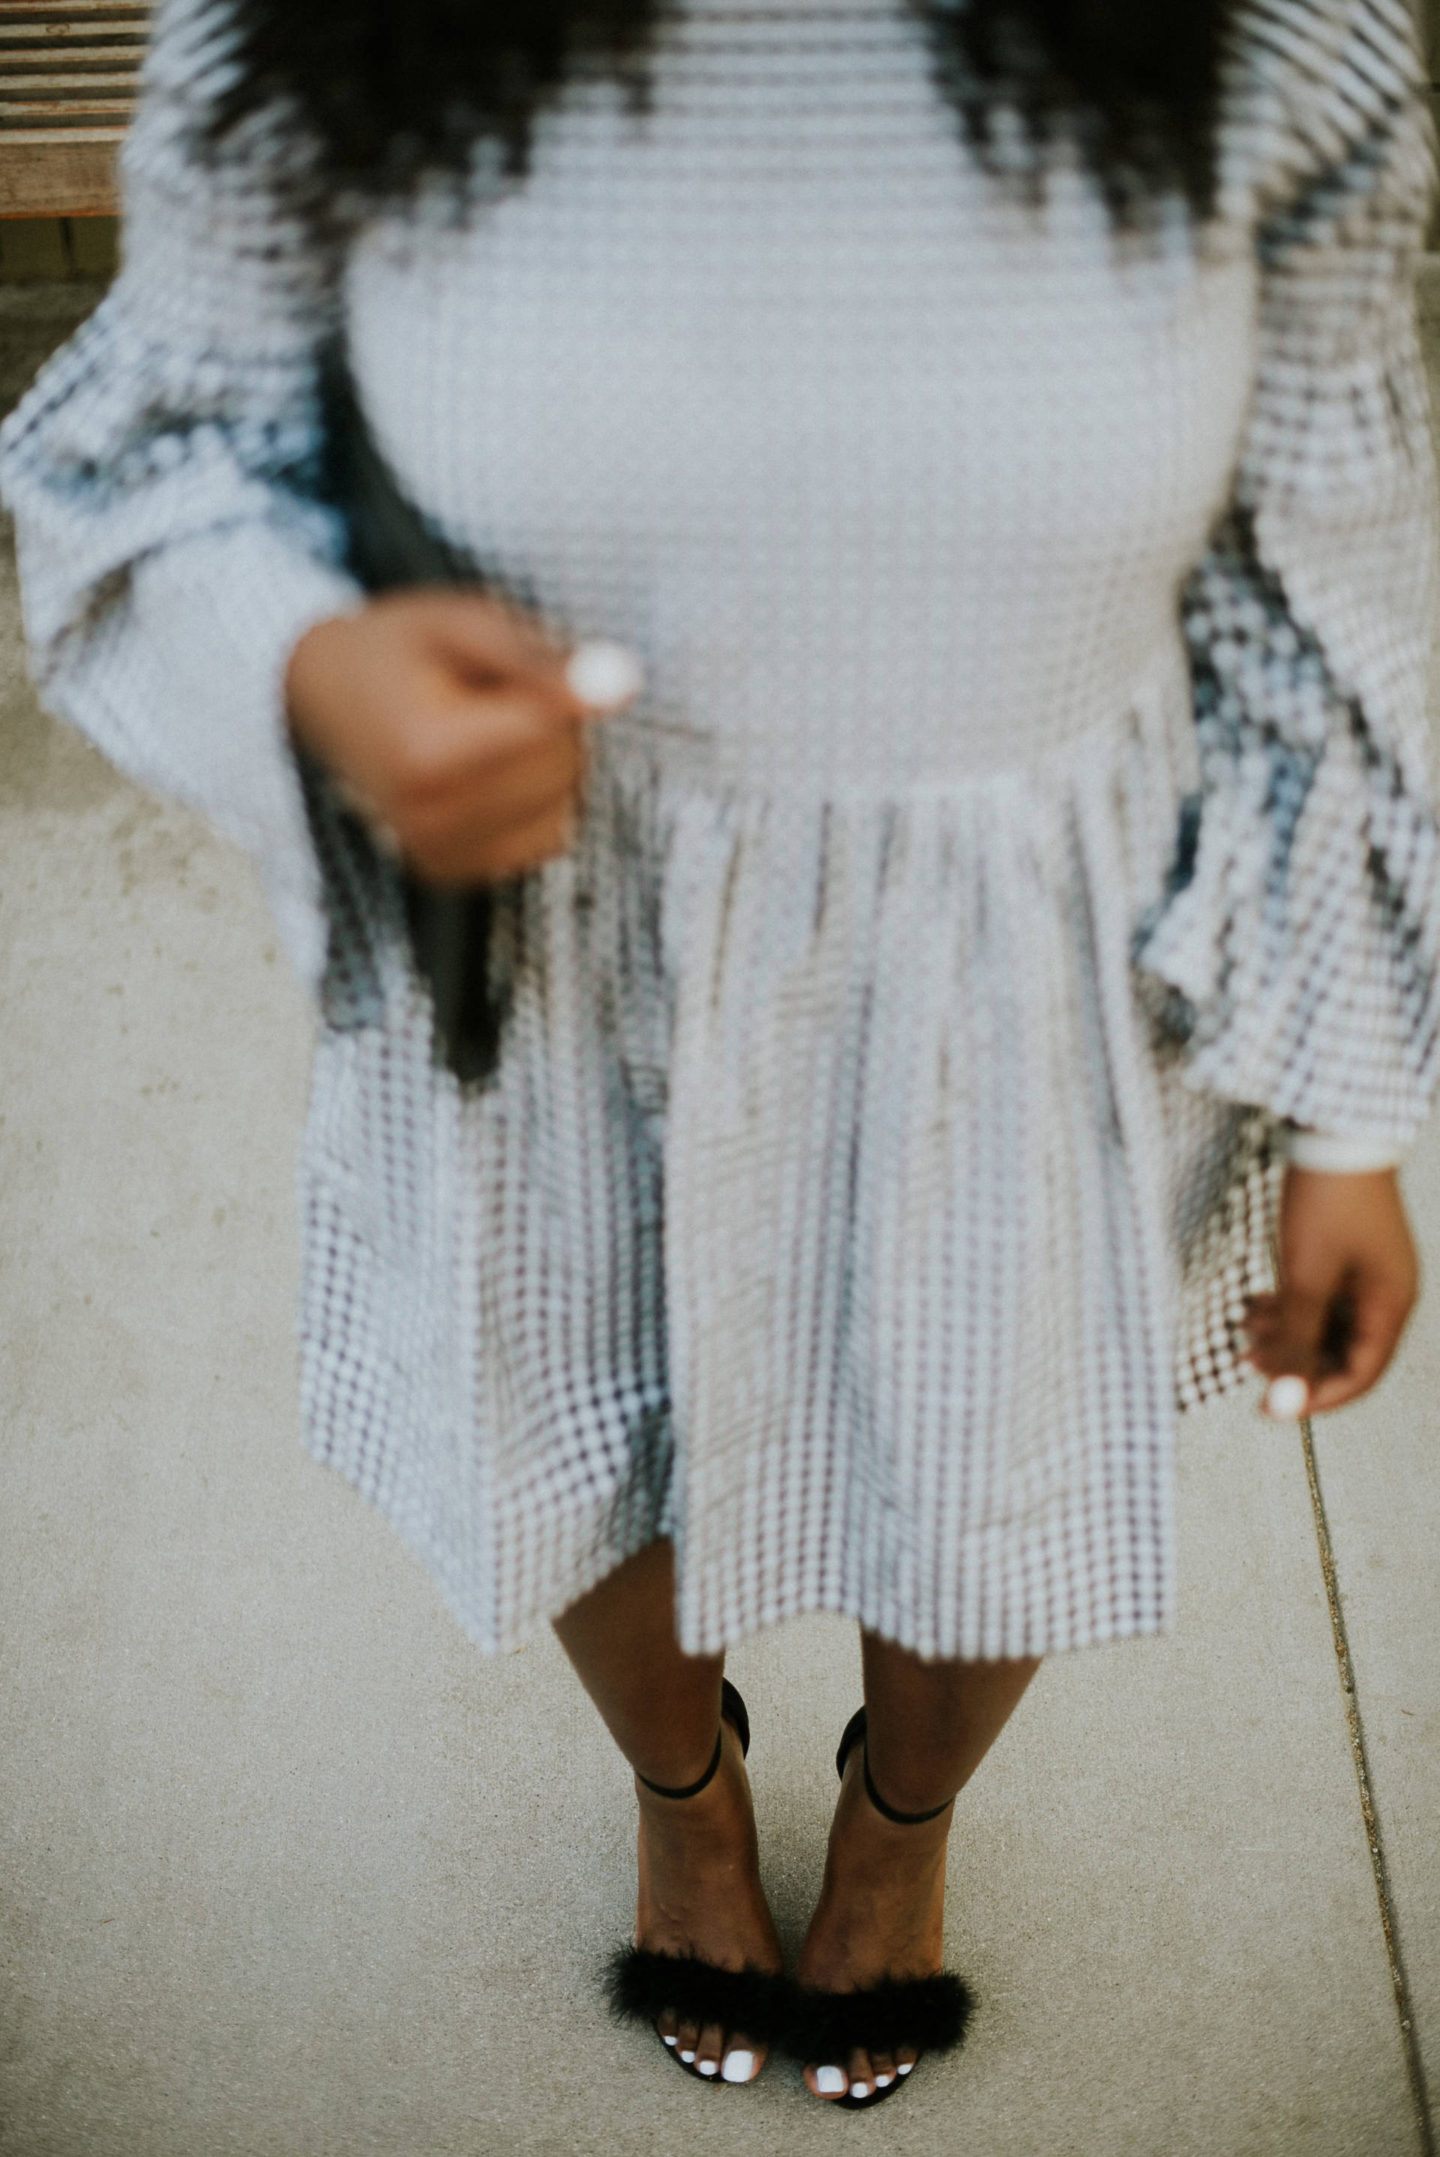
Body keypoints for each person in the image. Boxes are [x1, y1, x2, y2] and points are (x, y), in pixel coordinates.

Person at [3, 0, 1437, 2111]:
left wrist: (1358, 1104)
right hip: (559, 937)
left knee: (990, 1461)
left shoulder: (1274, 32)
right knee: (577, 1408)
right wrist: (310, 666)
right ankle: (685, 1787)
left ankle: (900, 1821)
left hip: (1032, 969)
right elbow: (148, 453)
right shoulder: (325, 24)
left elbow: (1342, 571)